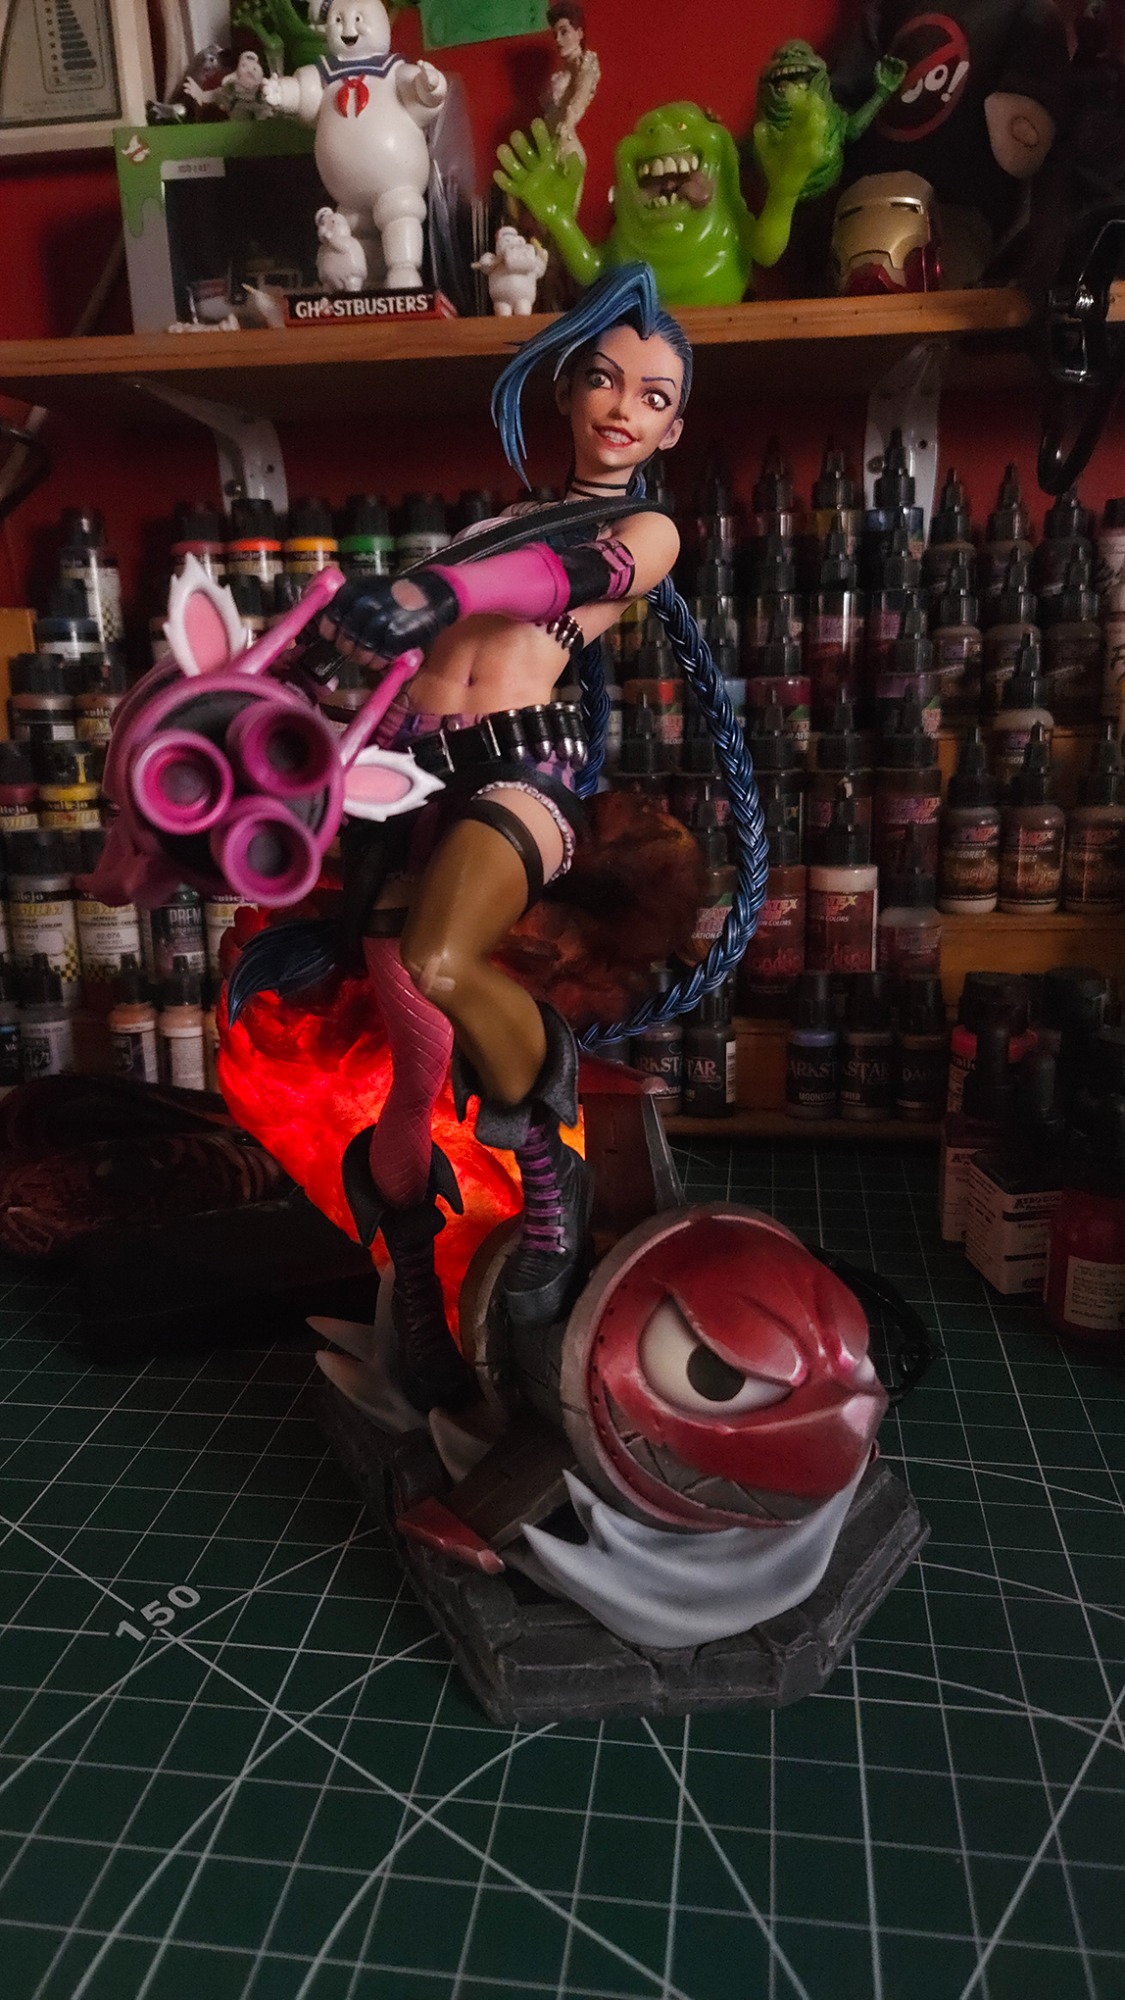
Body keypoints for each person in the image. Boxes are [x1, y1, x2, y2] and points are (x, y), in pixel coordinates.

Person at [230, 264, 763, 1418]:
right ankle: (418, 1286)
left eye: (657, 396)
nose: (626, 408)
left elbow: (563, 576)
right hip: (412, 780)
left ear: (675, 425)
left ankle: (545, 1162)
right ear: (567, 391)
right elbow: (407, 652)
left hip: (525, 771)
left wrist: (434, 594)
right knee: (411, 1080)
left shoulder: (644, 528)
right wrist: (327, 667)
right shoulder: (486, 526)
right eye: (606, 381)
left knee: (440, 958)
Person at [541, 0, 601, 167]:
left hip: (568, 148)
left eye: (564, 32)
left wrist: (567, 123)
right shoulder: (560, 76)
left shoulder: (585, 66)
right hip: (550, 150)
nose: (558, 40)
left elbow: (581, 95)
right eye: (555, 35)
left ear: (579, 33)